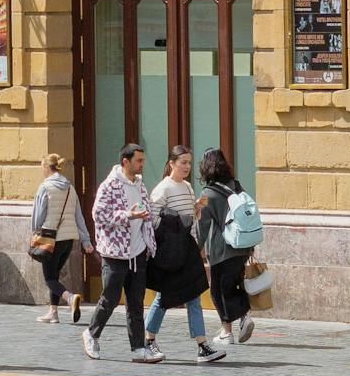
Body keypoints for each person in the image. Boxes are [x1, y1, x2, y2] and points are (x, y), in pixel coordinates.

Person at [146, 145, 226, 364]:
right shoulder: (163, 188)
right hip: (170, 249)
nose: (187, 167)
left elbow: (191, 218)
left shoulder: (189, 187)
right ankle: (148, 339)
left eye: (189, 163)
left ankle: (202, 345)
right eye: (183, 162)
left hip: (186, 248)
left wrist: (197, 209)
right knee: (164, 296)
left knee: (194, 296)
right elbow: (153, 220)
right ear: (172, 163)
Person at [83, 142, 161, 364]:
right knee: (110, 298)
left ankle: (138, 348)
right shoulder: (109, 186)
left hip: (137, 253)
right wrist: (128, 215)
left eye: (142, 160)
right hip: (115, 253)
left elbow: (147, 213)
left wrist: (148, 239)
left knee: (136, 302)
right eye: (138, 161)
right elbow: (99, 215)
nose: (142, 165)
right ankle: (91, 334)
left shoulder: (140, 186)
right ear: (125, 161)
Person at [196, 146, 256, 349]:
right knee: (234, 284)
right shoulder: (236, 185)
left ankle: (226, 332)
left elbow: (202, 224)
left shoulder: (207, 193)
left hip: (222, 249)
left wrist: (196, 247)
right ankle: (244, 316)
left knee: (218, 290)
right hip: (242, 246)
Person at [30, 152, 93, 325]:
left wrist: (34, 233)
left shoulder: (45, 187)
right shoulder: (70, 188)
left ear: (46, 167)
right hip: (69, 239)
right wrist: (86, 240)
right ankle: (53, 312)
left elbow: (38, 214)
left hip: (50, 238)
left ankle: (70, 298)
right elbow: (78, 215)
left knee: (49, 278)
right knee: (55, 275)